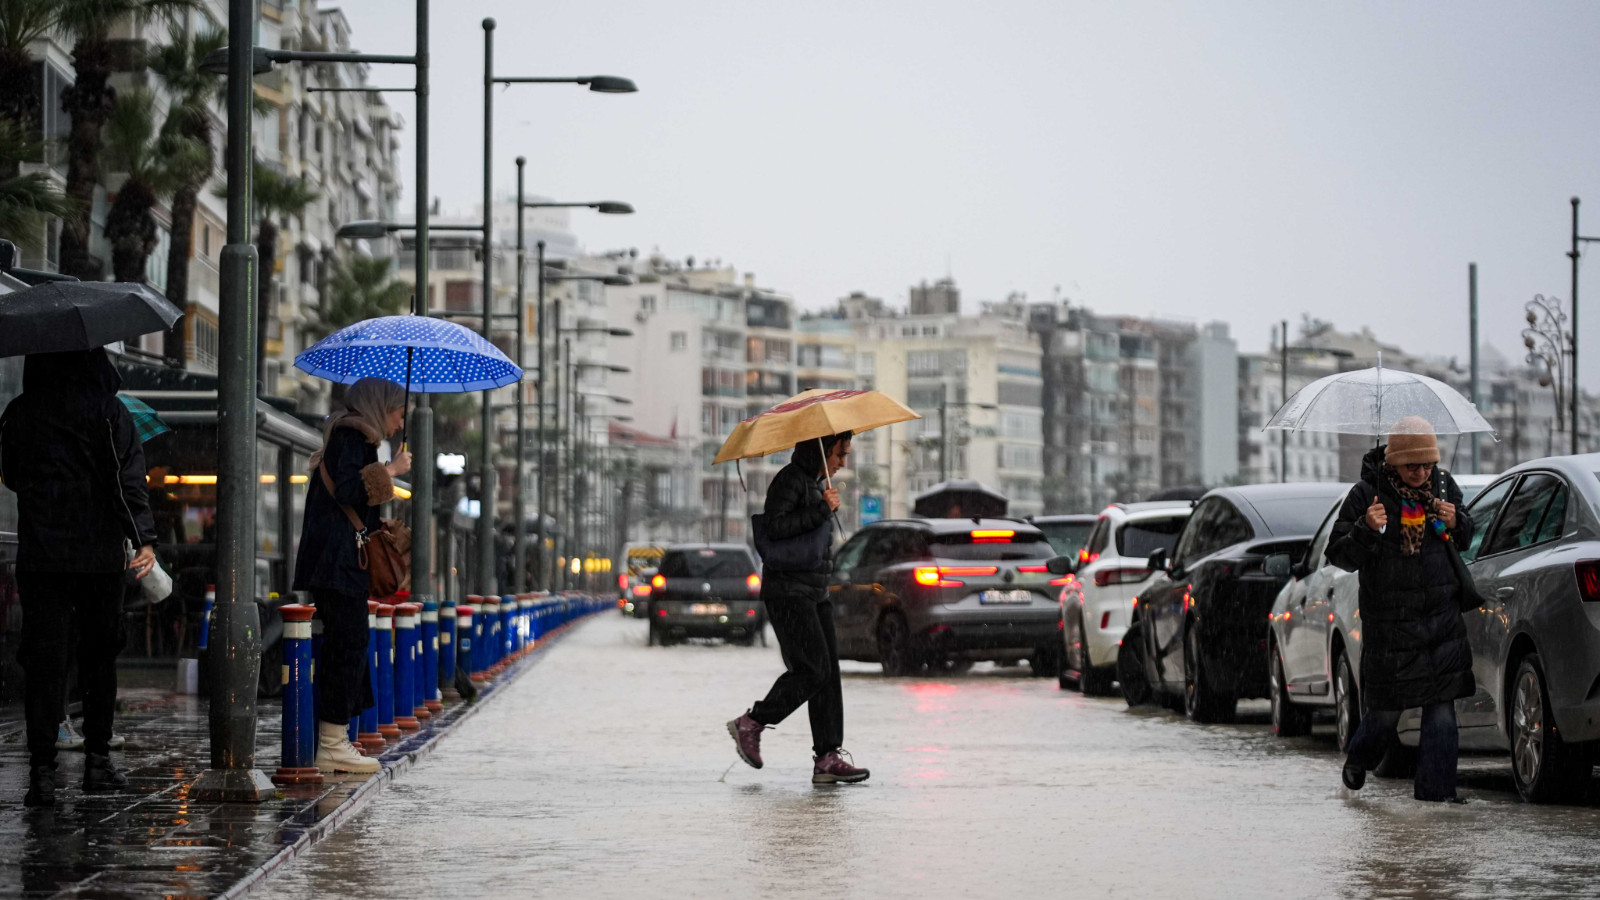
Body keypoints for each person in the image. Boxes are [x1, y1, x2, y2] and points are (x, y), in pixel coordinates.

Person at [0, 348, 157, 807]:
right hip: (97, 556)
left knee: (44, 660)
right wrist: (142, 538)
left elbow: (10, 474)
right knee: (99, 656)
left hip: (42, 555)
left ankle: (42, 772)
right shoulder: (110, 412)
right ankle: (96, 763)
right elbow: (128, 481)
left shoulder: (21, 412)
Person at [1325, 416, 1475, 802]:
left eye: (1427, 465)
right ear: (1393, 462)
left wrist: (1456, 519)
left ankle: (1436, 796)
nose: (1421, 473)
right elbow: (1339, 555)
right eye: (1412, 466)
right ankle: (1358, 759)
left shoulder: (1442, 487)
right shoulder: (1367, 494)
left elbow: (1468, 535)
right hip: (1391, 624)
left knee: (1441, 708)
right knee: (1386, 711)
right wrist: (1365, 526)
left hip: (1441, 620)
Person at [728, 431, 869, 784]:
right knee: (812, 670)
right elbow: (776, 528)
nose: (842, 462)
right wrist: (822, 508)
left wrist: (823, 504)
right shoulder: (789, 481)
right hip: (788, 593)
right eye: (840, 454)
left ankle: (827, 757)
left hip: (814, 591)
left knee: (828, 674)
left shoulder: (815, 483)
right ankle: (752, 722)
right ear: (822, 450)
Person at [292, 377, 411, 775]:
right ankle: (331, 743)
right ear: (380, 406)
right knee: (347, 644)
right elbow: (347, 491)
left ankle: (336, 737)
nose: (399, 424)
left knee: (350, 642)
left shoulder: (357, 438)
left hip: (339, 561)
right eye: (398, 413)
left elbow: (357, 498)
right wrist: (390, 470)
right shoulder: (351, 435)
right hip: (337, 563)